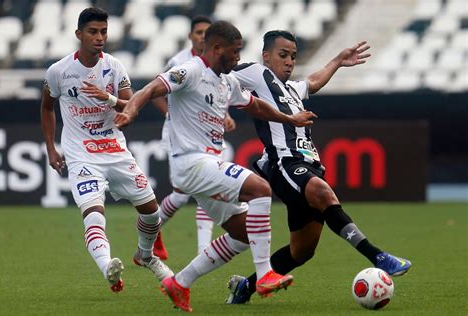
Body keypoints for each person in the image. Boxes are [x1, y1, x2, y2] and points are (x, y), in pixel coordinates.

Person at [114, 21, 317, 312]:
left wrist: (289, 119)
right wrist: (132, 107)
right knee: (260, 189)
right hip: (191, 162)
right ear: (217, 48)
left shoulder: (227, 81)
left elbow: (255, 106)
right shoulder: (191, 71)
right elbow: (152, 88)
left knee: (245, 233)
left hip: (208, 166)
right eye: (234, 53)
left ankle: (180, 282)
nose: (237, 59)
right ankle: (264, 275)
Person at [225, 30, 412, 304]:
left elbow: (312, 82)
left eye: (293, 56)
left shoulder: (291, 89)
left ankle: (245, 287)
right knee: (323, 194)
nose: (289, 61)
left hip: (308, 164)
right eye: (283, 55)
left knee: (301, 252)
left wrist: (338, 60)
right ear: (266, 57)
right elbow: (220, 77)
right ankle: (378, 256)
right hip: (284, 163)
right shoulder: (255, 73)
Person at [40, 7, 172, 293]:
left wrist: (108, 98)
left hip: (115, 150)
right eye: (93, 32)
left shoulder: (114, 66)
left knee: (152, 213)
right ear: (79, 35)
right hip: (81, 154)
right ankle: (108, 267)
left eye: (103, 32)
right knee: (93, 212)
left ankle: (145, 255)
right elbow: (47, 107)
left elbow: (131, 106)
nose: (99, 37)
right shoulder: (59, 71)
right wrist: (51, 149)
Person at [151, 16, 237, 259]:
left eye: (206, 32)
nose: (202, 36)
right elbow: (155, 91)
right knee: (181, 194)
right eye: (198, 32)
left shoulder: (217, 64)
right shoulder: (179, 62)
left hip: (206, 136)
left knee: (206, 189)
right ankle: (152, 230)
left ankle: (201, 249)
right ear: (191, 36)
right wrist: (172, 114)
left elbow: (215, 94)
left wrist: (226, 115)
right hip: (180, 137)